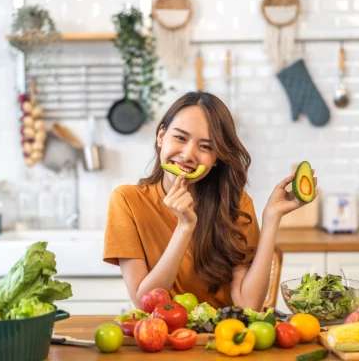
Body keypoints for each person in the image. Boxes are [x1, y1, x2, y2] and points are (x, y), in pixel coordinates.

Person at [103, 91, 317, 311]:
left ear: (216, 158)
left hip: (223, 338)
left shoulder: (236, 204)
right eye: (180, 137)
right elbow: (145, 304)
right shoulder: (127, 201)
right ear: (161, 136)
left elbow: (249, 305)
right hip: (163, 338)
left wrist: (272, 217)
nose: (187, 155)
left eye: (205, 146)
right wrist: (184, 227)